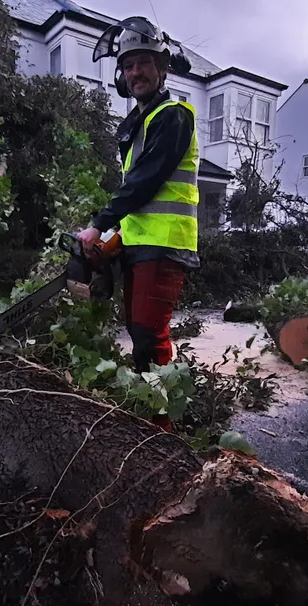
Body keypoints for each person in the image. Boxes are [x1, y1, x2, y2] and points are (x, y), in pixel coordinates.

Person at [77, 17, 200, 432]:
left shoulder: (174, 116)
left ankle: (164, 429)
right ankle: (151, 412)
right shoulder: (137, 126)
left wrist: (98, 225)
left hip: (165, 246)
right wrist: (111, 244)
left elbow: (146, 182)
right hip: (141, 245)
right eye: (129, 65)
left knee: (149, 333)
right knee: (138, 332)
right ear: (121, 75)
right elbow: (134, 197)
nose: (136, 72)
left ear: (162, 69)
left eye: (145, 62)